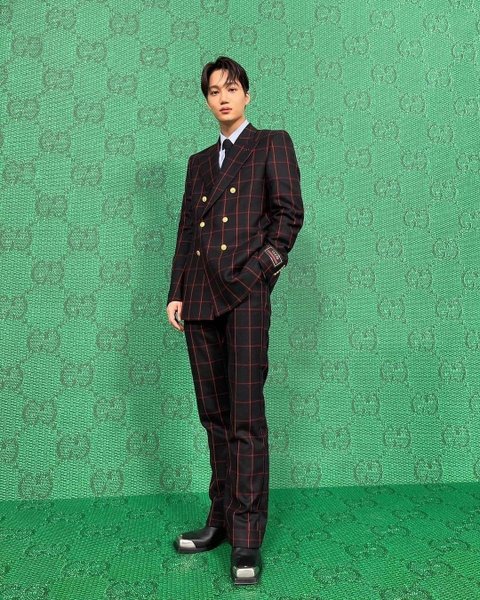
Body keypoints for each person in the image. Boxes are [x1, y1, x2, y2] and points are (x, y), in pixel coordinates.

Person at [166, 56, 303, 585]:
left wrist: (259, 274)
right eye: (213, 91)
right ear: (206, 100)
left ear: (247, 93)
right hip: (200, 299)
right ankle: (220, 519)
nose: (222, 97)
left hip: (245, 296)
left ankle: (247, 535)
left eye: (231, 88)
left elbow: (288, 216)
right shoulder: (199, 162)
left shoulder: (271, 144)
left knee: (245, 417)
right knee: (214, 416)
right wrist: (176, 292)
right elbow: (187, 231)